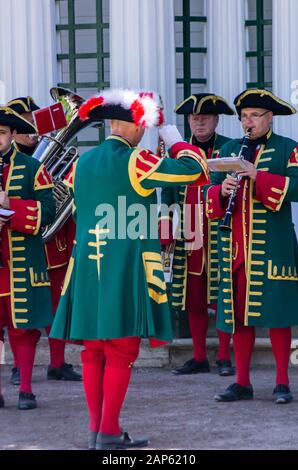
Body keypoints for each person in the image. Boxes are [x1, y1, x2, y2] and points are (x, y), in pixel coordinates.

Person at [50, 88, 209, 450]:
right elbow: (195, 170)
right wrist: (171, 135)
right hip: (124, 263)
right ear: (135, 125)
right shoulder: (136, 160)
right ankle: (108, 433)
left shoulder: (82, 163)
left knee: (93, 352)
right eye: (145, 125)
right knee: (121, 350)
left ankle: (97, 430)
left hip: (88, 266)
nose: (145, 131)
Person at [205, 88, 298, 404]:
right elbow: (209, 196)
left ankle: (282, 382)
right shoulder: (230, 150)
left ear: (269, 118)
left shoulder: (288, 149)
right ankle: (242, 382)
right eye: (244, 117)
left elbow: (297, 188)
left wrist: (258, 176)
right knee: (238, 315)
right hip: (235, 247)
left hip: (273, 246)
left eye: (254, 116)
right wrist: (222, 190)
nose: (248, 122)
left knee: (277, 314)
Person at [7, 96, 81, 383]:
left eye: (32, 121)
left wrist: (68, 185)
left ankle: (58, 363)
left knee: (57, 306)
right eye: (23, 123)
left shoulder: (51, 154)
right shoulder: (11, 161)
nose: (30, 128)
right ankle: (18, 365)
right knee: (22, 309)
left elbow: (66, 199)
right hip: (22, 245)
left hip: (55, 244)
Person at [160, 93, 234, 376]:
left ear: (215, 120)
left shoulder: (230, 147)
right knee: (193, 296)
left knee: (224, 295)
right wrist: (165, 231)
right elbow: (167, 194)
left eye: (204, 117)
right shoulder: (177, 151)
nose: (199, 122)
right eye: (194, 118)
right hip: (188, 231)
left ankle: (225, 356)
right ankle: (200, 356)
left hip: (220, 231)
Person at [0, 106, 55, 409]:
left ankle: (25, 389)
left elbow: (48, 210)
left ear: (12, 136)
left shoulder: (33, 167)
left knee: (23, 329)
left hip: (20, 264)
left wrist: (12, 208)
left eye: (1, 133)